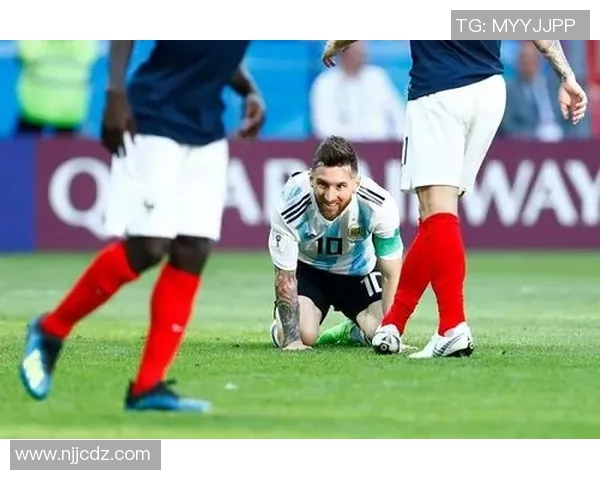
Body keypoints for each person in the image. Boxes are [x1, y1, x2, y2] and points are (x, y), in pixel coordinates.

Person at [18, 41, 266, 411]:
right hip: (153, 116)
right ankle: (51, 329)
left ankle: (147, 386)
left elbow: (215, 50)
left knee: (193, 249)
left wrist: (248, 89)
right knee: (149, 245)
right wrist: (115, 94)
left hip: (207, 127)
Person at [321, 40, 587, 358]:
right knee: (435, 217)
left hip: (440, 89)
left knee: (438, 213)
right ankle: (393, 324)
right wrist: (566, 75)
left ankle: (453, 327)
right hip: (489, 91)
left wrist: (336, 43)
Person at [267, 135, 404, 351]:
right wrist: (292, 341)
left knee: (380, 331)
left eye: (340, 186)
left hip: (359, 272)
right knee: (302, 335)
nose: (330, 197)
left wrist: (392, 330)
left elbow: (391, 274)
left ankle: (353, 331)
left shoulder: (379, 206)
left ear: (356, 183)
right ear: (311, 179)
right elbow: (284, 277)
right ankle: (279, 326)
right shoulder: (290, 202)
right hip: (310, 272)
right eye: (322, 184)